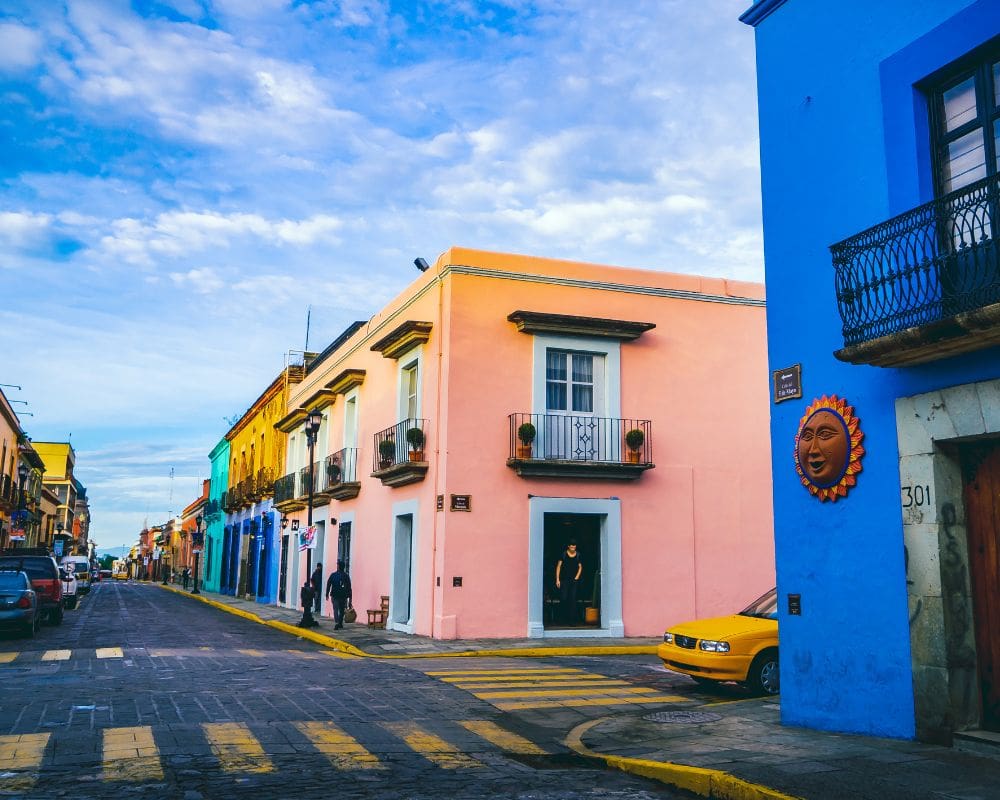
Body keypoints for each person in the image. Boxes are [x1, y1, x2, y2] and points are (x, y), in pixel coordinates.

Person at [555, 540, 583, 625]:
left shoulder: (578, 555)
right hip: (564, 580)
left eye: (574, 545)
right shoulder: (563, 554)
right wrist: (557, 579)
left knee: (573, 599)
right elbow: (559, 566)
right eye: (571, 545)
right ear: (568, 546)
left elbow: (580, 567)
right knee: (563, 598)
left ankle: (572, 620)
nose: (573, 547)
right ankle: (562, 619)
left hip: (574, 581)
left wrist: (577, 577)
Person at [325, 560, 353, 630]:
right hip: (343, 596)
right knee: (341, 610)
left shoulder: (333, 575)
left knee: (335, 609)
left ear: (338, 566)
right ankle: (339, 623)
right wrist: (350, 599)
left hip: (334, 595)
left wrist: (327, 594)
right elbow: (349, 588)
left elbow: (328, 584)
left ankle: (337, 623)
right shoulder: (346, 576)